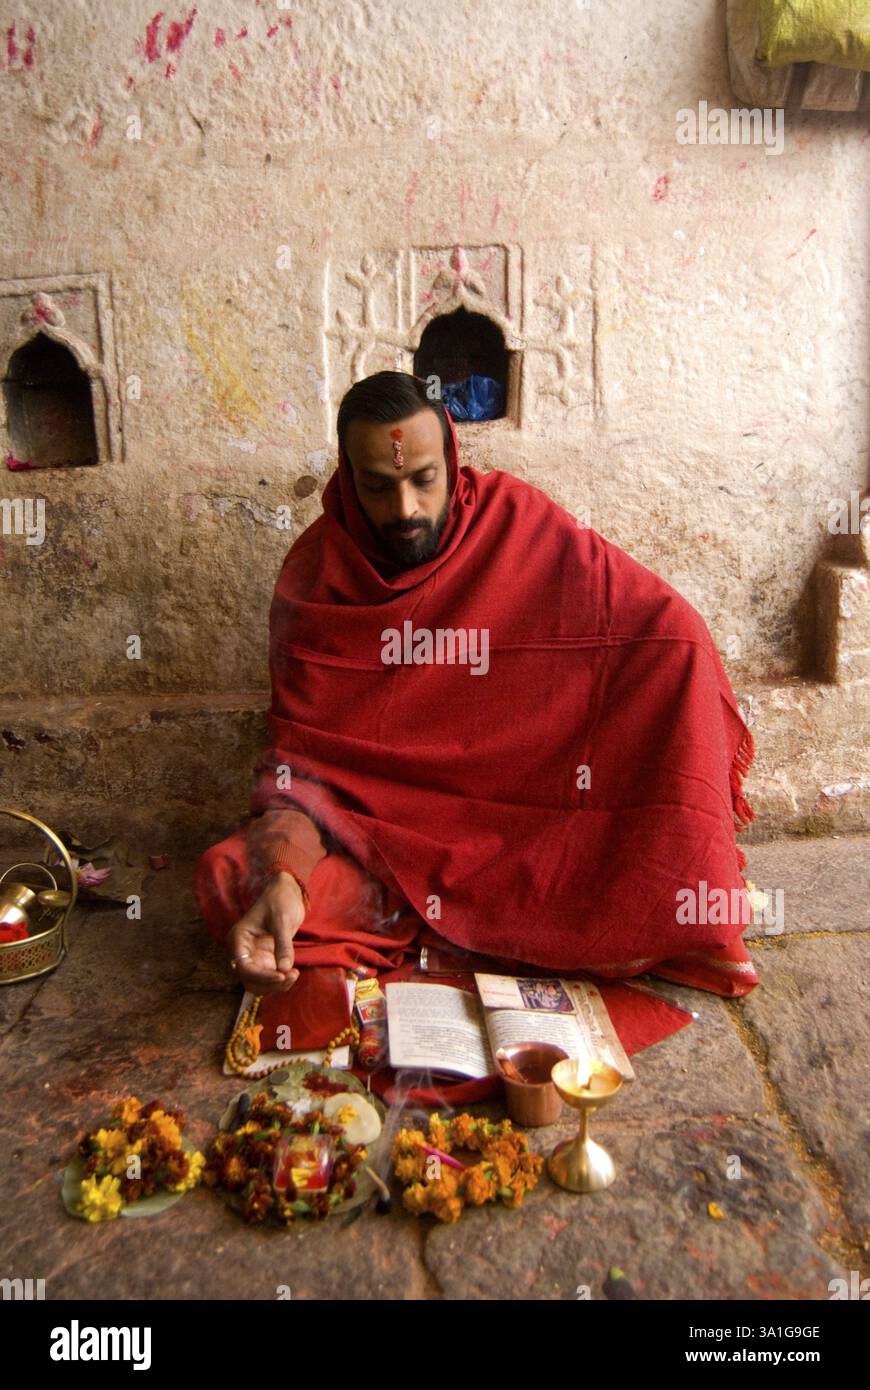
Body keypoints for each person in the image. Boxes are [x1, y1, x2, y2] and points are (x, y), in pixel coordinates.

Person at [195, 371, 758, 1003]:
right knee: (233, 877)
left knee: (640, 883)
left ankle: (476, 921)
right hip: (385, 846)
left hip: (522, 837)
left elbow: (669, 633)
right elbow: (303, 774)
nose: (404, 509)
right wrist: (286, 878)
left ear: (453, 461)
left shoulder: (513, 524)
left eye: (422, 479)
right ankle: (440, 920)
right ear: (347, 480)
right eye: (378, 486)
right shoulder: (313, 581)